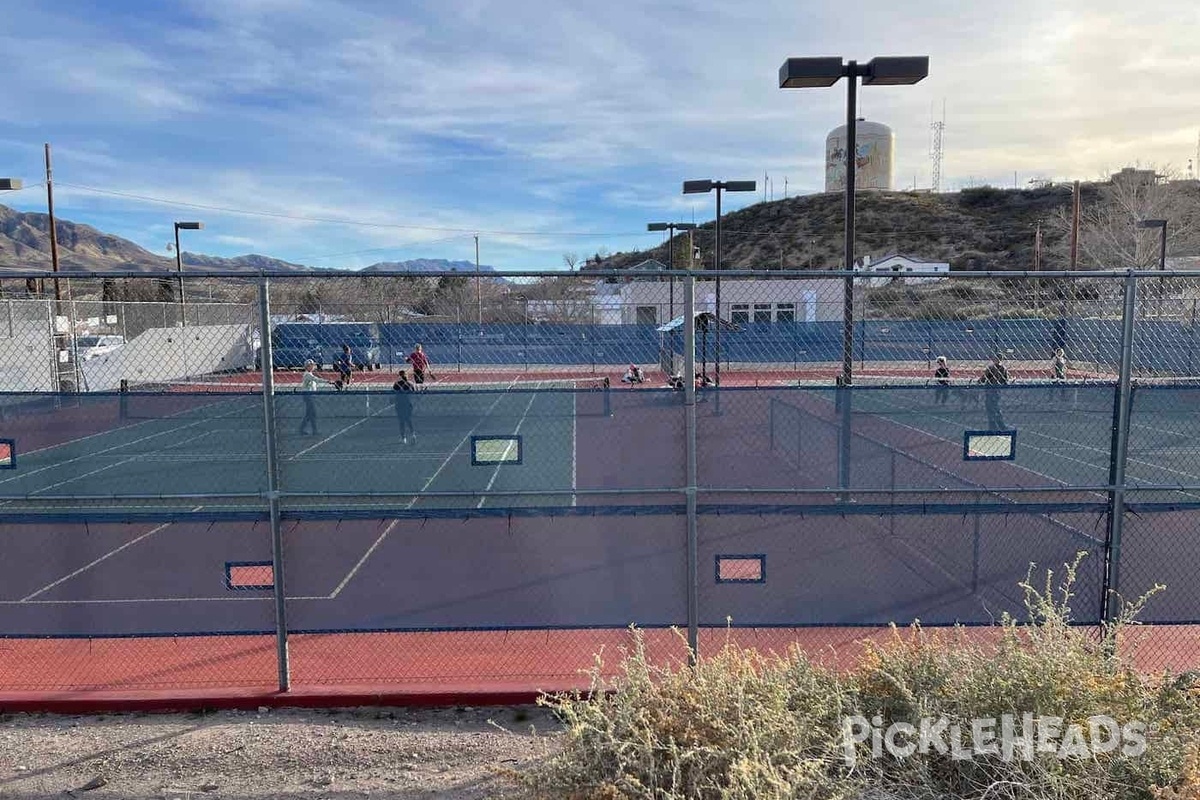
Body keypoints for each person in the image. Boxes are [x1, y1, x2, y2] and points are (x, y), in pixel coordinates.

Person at [298, 359, 333, 435]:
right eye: (312, 365)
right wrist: (327, 381)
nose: (313, 366)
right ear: (308, 366)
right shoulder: (308, 375)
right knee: (312, 413)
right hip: (308, 396)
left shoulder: (309, 374)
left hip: (310, 395)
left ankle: (303, 429)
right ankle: (313, 430)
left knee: (310, 414)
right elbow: (316, 380)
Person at [978, 353, 1010, 430]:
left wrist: (979, 381)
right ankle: (1000, 425)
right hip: (997, 391)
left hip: (990, 391)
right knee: (996, 408)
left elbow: (983, 379)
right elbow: (1005, 381)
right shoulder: (1003, 369)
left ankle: (994, 426)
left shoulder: (991, 368)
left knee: (991, 408)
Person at [392, 370, 416, 444]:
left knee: (401, 422)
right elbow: (414, 393)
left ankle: (404, 438)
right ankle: (413, 435)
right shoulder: (410, 384)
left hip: (400, 404)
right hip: (408, 404)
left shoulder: (396, 384)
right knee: (408, 420)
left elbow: (394, 393)